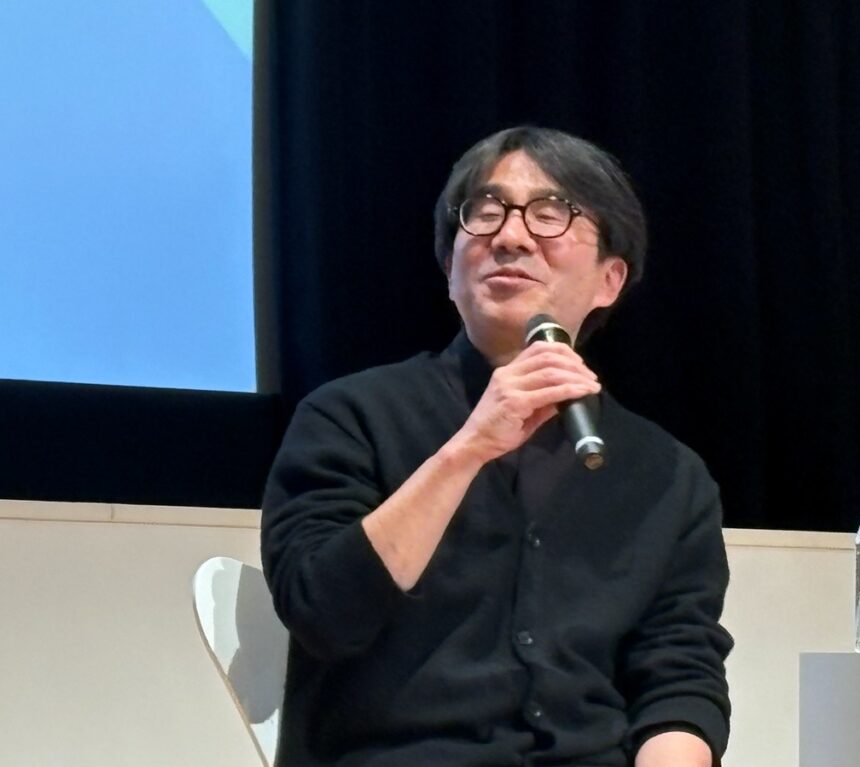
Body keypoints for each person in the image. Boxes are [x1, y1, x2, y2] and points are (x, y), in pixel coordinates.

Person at [262, 126, 733, 767]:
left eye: (551, 213)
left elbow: (678, 674)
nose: (511, 237)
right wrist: (469, 447)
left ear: (610, 280)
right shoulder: (350, 417)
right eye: (485, 213)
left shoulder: (668, 475)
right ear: (450, 266)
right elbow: (322, 613)